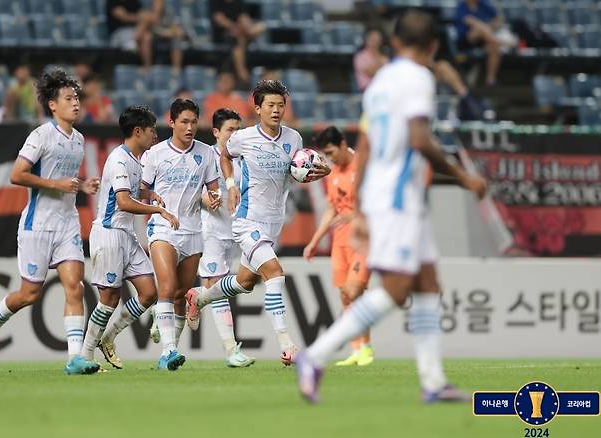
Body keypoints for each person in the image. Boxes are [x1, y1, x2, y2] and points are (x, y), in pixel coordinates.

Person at [295, 9, 486, 403]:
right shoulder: (419, 78)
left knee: (428, 283)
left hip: (390, 198)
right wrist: (463, 176)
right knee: (398, 290)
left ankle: (433, 382)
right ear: (433, 47)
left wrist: (362, 203)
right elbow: (419, 139)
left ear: (394, 43)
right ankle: (315, 355)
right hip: (398, 200)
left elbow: (364, 145)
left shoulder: (381, 81)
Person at [184, 80, 331, 365]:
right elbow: (225, 154)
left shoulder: (294, 139)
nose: (276, 111)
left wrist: (316, 172)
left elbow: (296, 172)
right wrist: (230, 183)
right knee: (275, 274)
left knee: (244, 282)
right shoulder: (244, 138)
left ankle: (199, 298)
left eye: (280, 105)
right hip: (247, 221)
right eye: (271, 106)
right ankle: (287, 345)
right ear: (258, 109)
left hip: (274, 224)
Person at [0, 69, 101, 375]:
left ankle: (74, 359)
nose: (75, 104)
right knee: (30, 294)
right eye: (68, 99)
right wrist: (57, 185)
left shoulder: (79, 140)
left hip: (67, 224)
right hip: (37, 224)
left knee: (75, 286)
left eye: (76, 98)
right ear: (53, 105)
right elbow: (17, 175)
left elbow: (64, 177)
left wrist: (81, 186)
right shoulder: (41, 135)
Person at [81, 105, 179, 369]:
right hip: (109, 234)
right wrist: (157, 209)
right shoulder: (119, 159)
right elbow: (123, 202)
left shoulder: (137, 160)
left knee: (149, 293)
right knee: (109, 299)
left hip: (126, 236)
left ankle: (109, 337)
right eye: (151, 131)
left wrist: (150, 195)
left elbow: (132, 192)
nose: (155, 136)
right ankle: (84, 356)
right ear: (138, 131)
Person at [142, 98, 222, 371]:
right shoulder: (155, 153)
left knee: (180, 294)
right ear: (172, 122)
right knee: (165, 288)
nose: (190, 127)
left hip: (193, 231)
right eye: (184, 122)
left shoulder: (206, 153)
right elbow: (141, 191)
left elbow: (213, 187)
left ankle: (171, 351)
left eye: (194, 122)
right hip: (162, 227)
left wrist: (215, 197)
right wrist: (152, 197)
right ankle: (168, 351)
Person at [303, 126, 373, 367]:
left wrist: (355, 214)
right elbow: (332, 208)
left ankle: (366, 348)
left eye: (332, 152)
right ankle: (358, 349)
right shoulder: (333, 173)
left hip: (364, 240)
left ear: (343, 144)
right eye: (327, 154)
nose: (330, 158)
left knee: (354, 292)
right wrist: (314, 240)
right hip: (340, 242)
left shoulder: (364, 168)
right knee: (345, 295)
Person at [198, 108, 255, 367]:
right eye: (230, 130)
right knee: (219, 286)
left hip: (237, 230)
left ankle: (182, 298)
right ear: (216, 132)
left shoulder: (243, 157)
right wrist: (205, 198)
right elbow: (192, 189)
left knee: (234, 284)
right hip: (211, 230)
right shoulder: (207, 156)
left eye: (238, 130)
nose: (235, 134)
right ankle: (232, 351)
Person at [210, 0, 266, 83]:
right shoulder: (216, 2)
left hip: (241, 32)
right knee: (238, 38)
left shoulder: (239, 2)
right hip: (222, 34)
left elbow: (243, 17)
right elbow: (219, 18)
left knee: (261, 26)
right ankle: (241, 72)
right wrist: (234, 27)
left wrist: (245, 26)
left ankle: (248, 33)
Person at [454, 0, 502, 85]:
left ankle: (490, 79)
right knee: (478, 30)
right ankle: (500, 41)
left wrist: (487, 28)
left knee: (493, 47)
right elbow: (471, 21)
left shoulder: (484, 4)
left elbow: (499, 19)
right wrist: (485, 28)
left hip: (484, 40)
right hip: (466, 41)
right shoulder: (461, 6)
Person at [107, 0, 155, 70]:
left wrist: (143, 17)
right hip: (118, 32)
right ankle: (134, 41)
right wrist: (140, 17)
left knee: (147, 37)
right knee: (145, 21)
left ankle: (147, 68)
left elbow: (143, 13)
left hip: (135, 30)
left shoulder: (133, 1)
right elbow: (124, 17)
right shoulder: (112, 2)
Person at [151, 0, 186, 73]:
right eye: (156, 2)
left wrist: (173, 32)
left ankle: (176, 70)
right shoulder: (148, 12)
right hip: (153, 38)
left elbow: (175, 26)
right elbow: (152, 30)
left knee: (177, 39)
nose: (158, 5)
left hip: (168, 37)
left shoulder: (168, 11)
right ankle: (148, 69)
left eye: (160, 2)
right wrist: (168, 32)